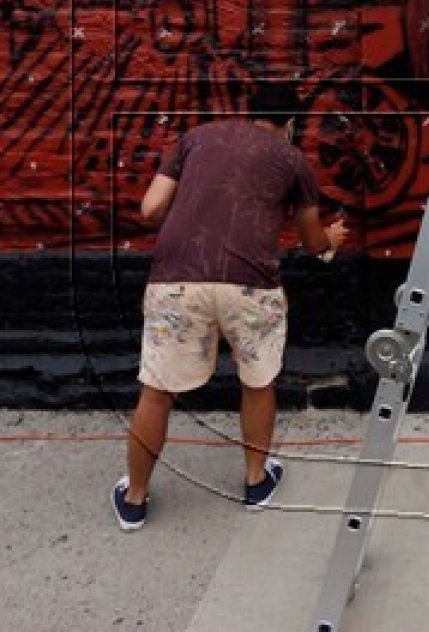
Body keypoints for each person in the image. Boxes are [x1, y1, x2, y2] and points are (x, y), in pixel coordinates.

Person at [111, 84, 347, 532]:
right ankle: (256, 482)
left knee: (157, 390)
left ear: (250, 112)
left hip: (177, 280)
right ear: (291, 124)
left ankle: (135, 497)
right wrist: (330, 242)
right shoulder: (292, 159)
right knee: (258, 382)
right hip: (251, 286)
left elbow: (150, 208)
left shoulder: (197, 137)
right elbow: (311, 240)